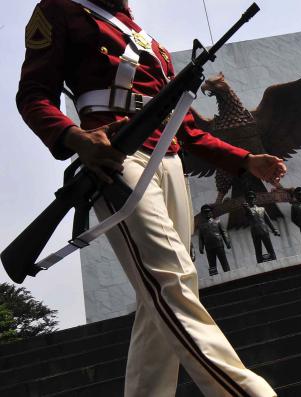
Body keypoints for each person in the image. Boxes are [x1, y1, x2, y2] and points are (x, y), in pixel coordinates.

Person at [17, 1, 285, 396]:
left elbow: (189, 129)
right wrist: (75, 137)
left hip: (169, 159)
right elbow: (33, 95)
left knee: (159, 298)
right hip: (115, 156)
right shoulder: (62, 9)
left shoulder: (149, 42)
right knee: (172, 279)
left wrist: (246, 160)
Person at [243, 191, 280, 263]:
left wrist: (274, 229)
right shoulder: (247, 210)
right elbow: (249, 215)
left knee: (270, 248)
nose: (252, 200)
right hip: (255, 233)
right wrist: (246, 208)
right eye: (249, 199)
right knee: (258, 250)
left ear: (255, 199)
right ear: (247, 200)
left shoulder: (262, 209)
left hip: (264, 231)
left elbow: (268, 220)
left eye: (253, 198)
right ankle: (260, 264)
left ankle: (275, 262)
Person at [199, 204, 232, 276]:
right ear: (203, 215)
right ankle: (214, 278)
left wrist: (227, 242)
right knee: (212, 265)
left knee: (224, 262)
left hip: (219, 245)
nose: (207, 213)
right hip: (209, 247)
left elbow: (224, 232)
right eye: (205, 212)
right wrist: (201, 247)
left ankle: (229, 275)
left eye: (208, 212)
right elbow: (201, 238)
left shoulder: (217, 222)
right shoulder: (201, 226)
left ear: (211, 213)